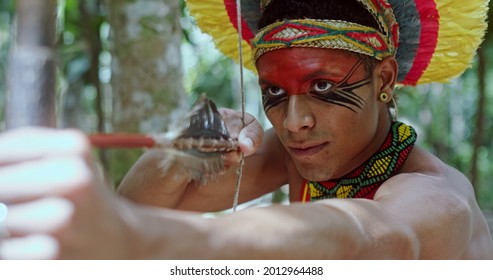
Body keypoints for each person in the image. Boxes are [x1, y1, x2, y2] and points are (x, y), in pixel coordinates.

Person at [0, 0, 492, 259]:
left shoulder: (435, 198)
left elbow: (368, 238)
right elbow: (141, 206)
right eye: (274, 93)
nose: (294, 121)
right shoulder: (293, 151)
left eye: (322, 85)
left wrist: (133, 239)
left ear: (383, 79)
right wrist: (177, 153)